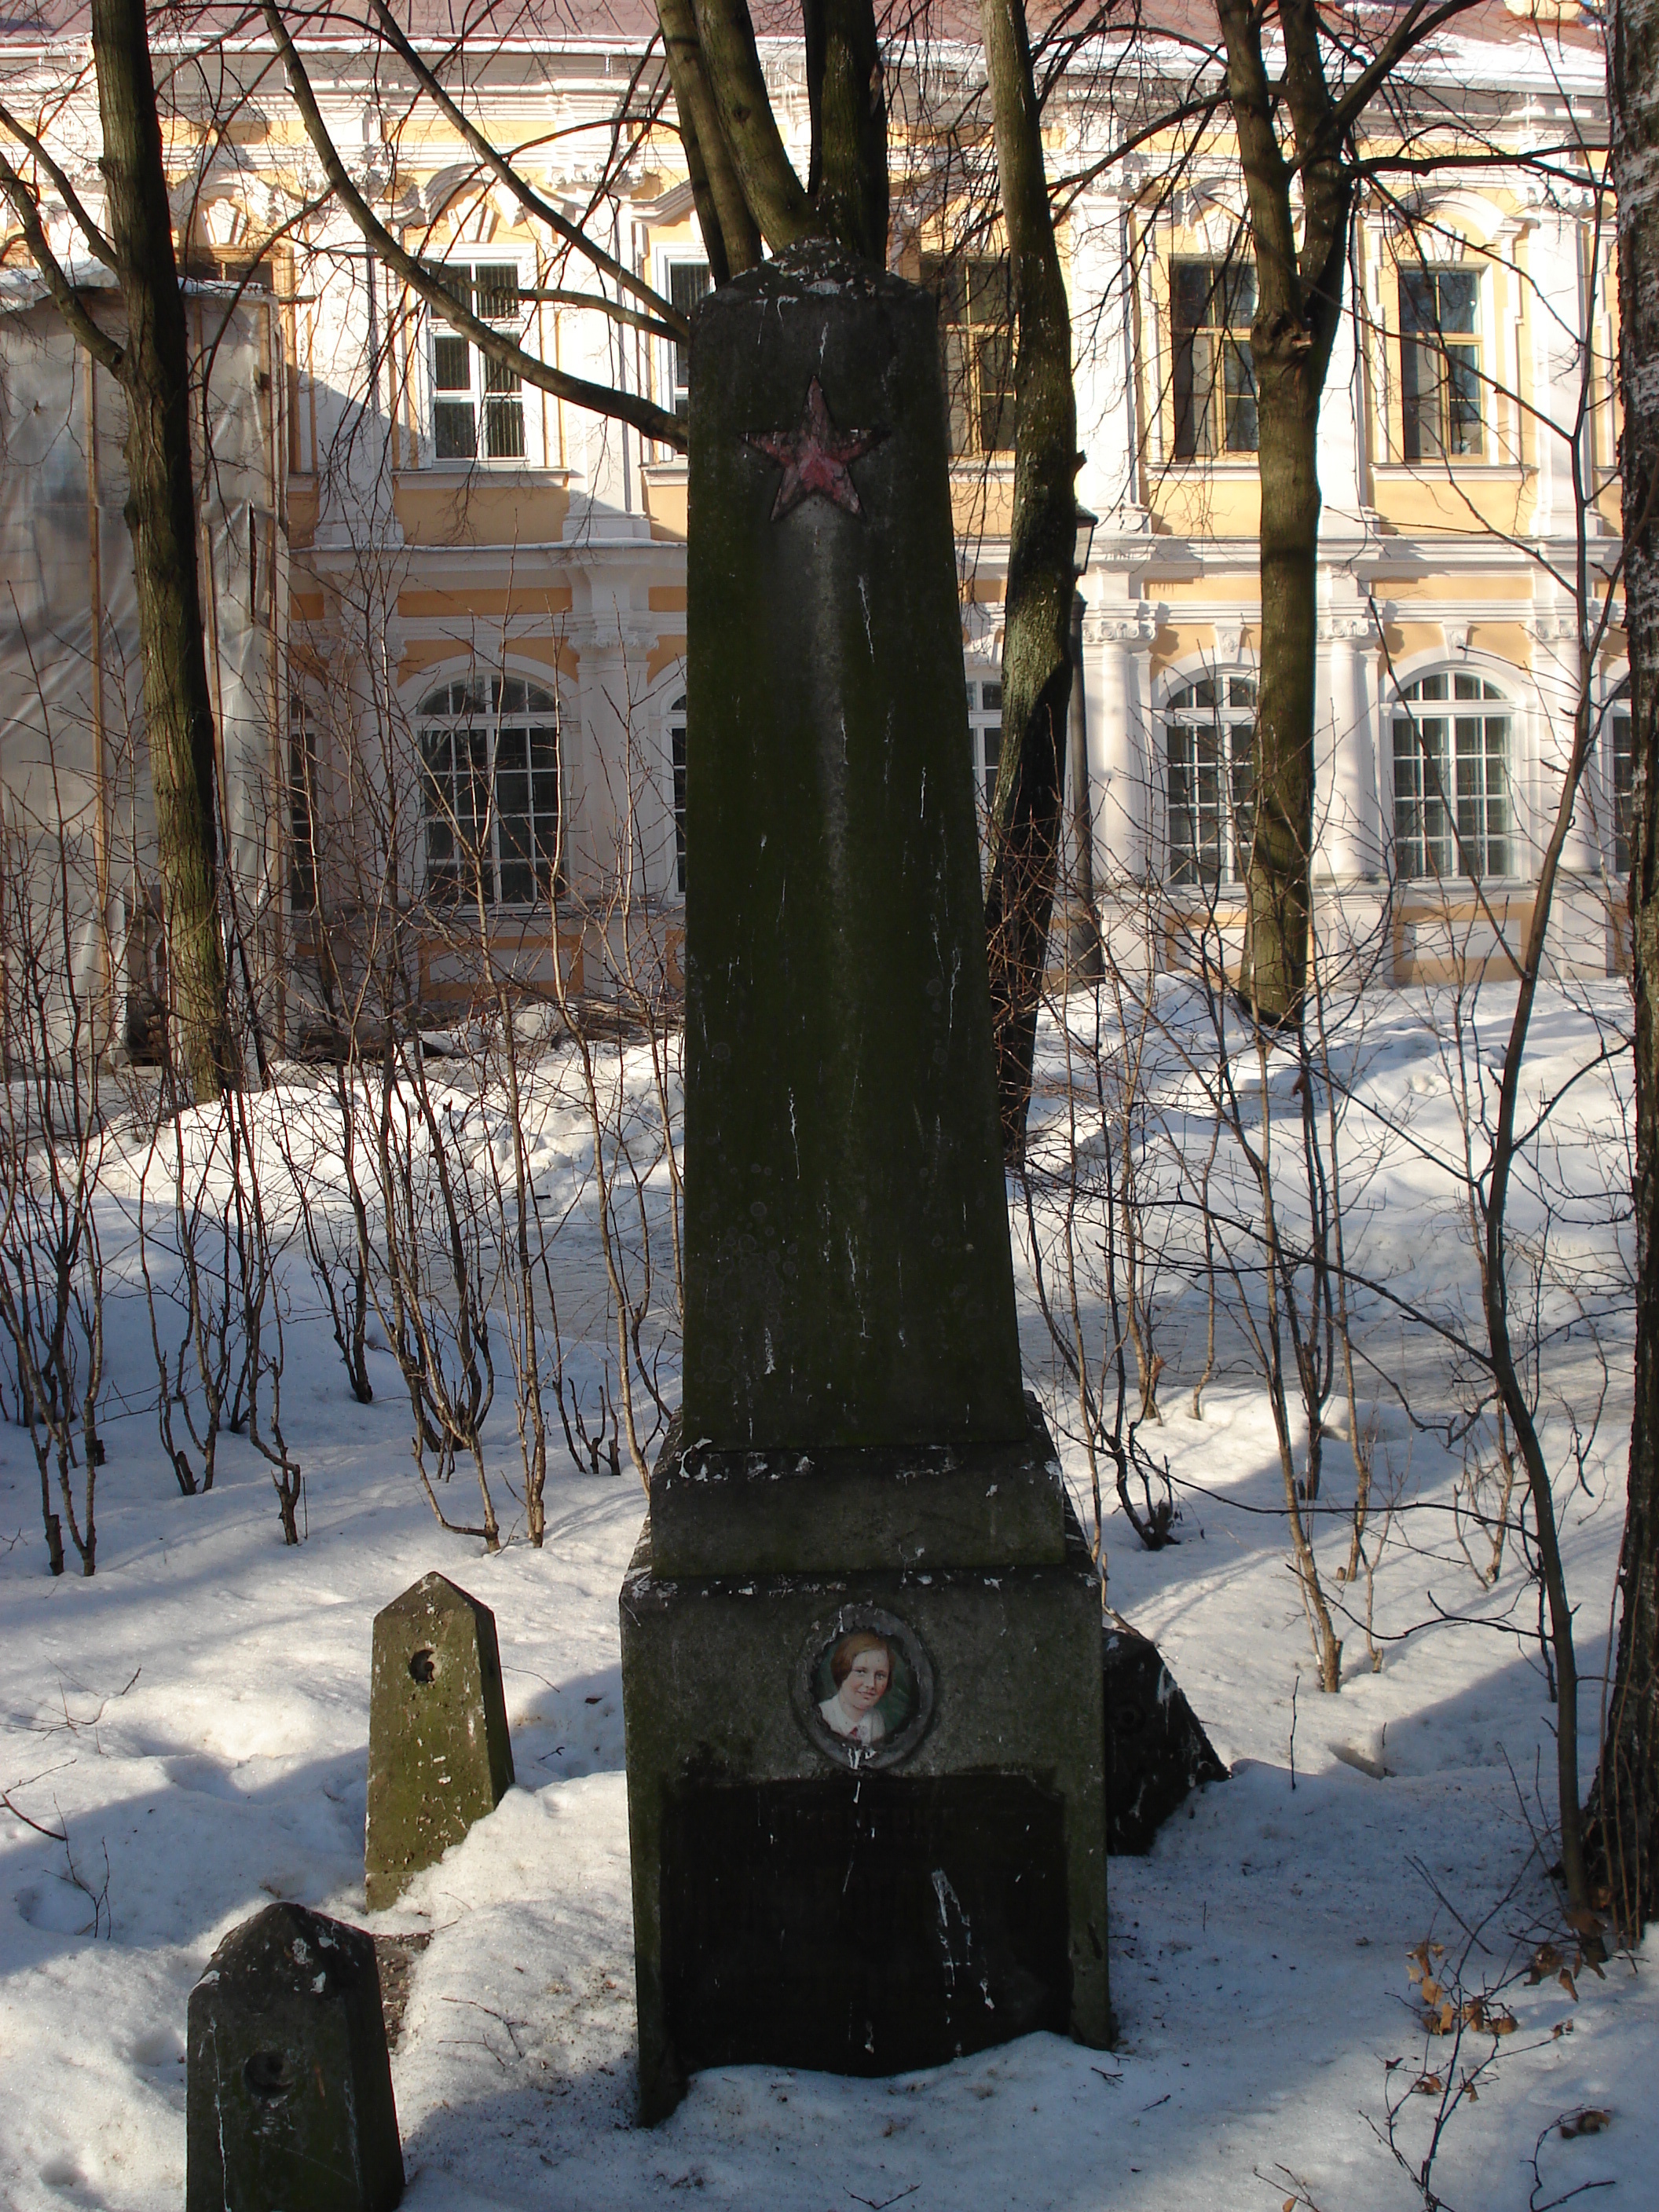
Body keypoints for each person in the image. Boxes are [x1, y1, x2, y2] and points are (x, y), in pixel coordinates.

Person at [819, 1631, 893, 1745]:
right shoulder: (822, 1715)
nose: (871, 1684)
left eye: (880, 1675)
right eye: (861, 1672)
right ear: (843, 1671)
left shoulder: (877, 1720)